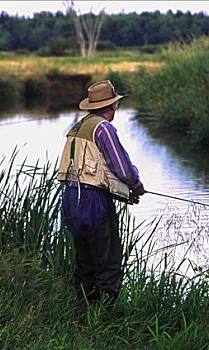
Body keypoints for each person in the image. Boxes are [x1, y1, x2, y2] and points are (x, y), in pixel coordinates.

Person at [58, 80, 146, 304]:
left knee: (85, 261)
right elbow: (121, 167)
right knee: (108, 262)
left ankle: (84, 310)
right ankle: (104, 316)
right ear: (111, 107)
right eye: (115, 105)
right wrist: (136, 186)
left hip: (71, 198)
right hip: (93, 200)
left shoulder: (78, 127)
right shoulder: (103, 128)